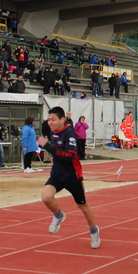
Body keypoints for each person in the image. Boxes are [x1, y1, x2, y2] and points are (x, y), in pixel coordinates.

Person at [37, 106, 100, 249]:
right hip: (57, 175)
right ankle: (58, 215)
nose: (50, 123)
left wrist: (48, 146)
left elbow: (69, 156)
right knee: (46, 196)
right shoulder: (51, 131)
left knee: (82, 206)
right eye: (49, 120)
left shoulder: (69, 134)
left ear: (62, 119)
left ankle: (93, 230)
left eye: (53, 120)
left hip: (73, 176)